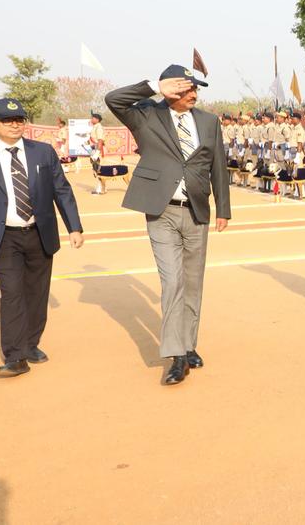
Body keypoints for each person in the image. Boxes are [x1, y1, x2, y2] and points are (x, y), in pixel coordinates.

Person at [105, 66, 231, 386]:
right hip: (161, 211)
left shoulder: (208, 121)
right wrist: (153, 87)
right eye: (186, 88)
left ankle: (189, 345)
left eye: (196, 89)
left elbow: (217, 165)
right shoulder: (145, 115)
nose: (193, 94)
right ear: (170, 89)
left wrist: (223, 209)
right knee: (172, 281)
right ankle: (176, 356)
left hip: (197, 211)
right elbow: (114, 99)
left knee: (192, 282)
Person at [0, 98, 84, 378]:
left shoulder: (43, 152)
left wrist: (74, 227)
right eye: (7, 120)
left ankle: (31, 344)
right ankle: (15, 357)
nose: (15, 125)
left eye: (19, 120)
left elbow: (61, 190)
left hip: (39, 233)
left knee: (37, 293)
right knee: (12, 293)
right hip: (3, 236)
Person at [88, 112, 106, 193]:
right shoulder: (95, 127)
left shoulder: (98, 127)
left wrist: (97, 152)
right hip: (93, 149)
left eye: (93, 118)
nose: (91, 119)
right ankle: (100, 187)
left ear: (97, 119)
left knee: (98, 169)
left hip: (96, 150)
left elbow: (100, 140)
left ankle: (101, 189)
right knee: (95, 169)